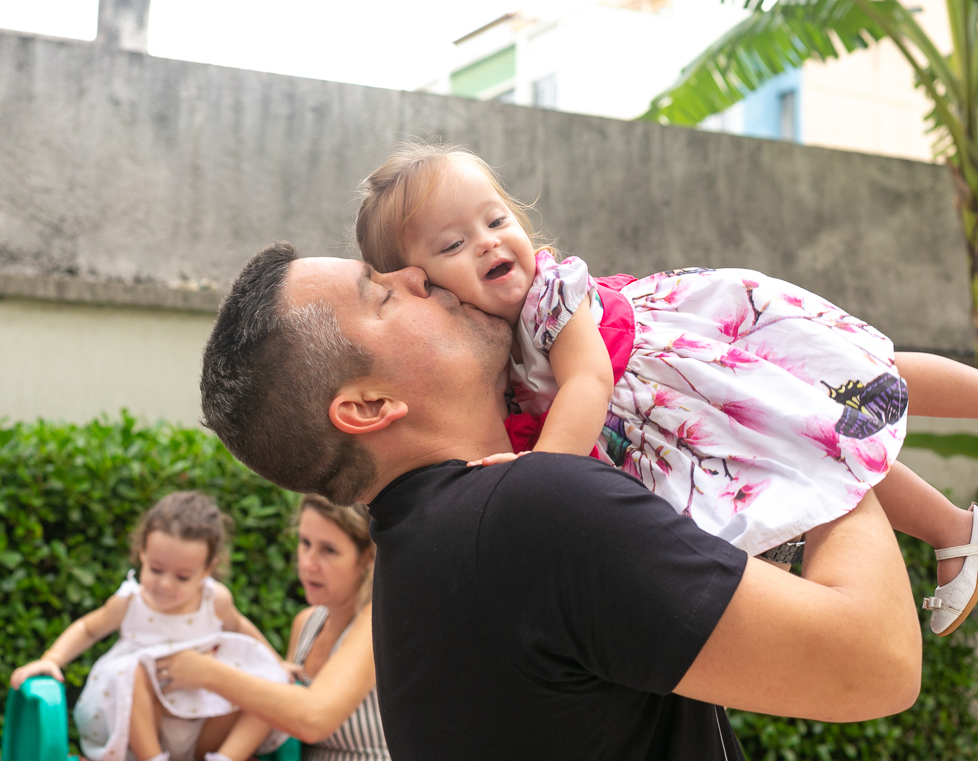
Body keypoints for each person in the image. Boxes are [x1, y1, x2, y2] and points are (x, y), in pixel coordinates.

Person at [197, 241, 923, 759]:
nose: (418, 271)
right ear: (369, 404)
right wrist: (804, 428)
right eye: (382, 294)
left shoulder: (428, 556)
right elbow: (878, 662)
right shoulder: (529, 513)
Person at [351, 141, 978, 637]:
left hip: (700, 356)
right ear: (420, 284)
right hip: (683, 419)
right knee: (820, 459)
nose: (487, 241)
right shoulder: (494, 360)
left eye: (495, 218)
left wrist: (538, 473)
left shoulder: (549, 293)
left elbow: (588, 377)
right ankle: (954, 531)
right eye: (452, 244)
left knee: (858, 377)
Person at [9, 491, 289, 761]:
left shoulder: (214, 600)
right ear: (142, 553)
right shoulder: (130, 602)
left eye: (182, 577)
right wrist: (52, 659)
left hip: (204, 722)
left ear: (206, 570)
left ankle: (228, 757)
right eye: (156, 569)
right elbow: (88, 629)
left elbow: (240, 627)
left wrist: (276, 663)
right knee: (132, 670)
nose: (165, 584)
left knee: (268, 684)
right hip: (146, 727)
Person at [153, 494, 388, 761]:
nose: (308, 563)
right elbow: (281, 717)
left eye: (328, 550)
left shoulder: (375, 621)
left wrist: (206, 672)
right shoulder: (306, 623)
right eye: (305, 543)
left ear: (367, 557)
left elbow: (313, 719)